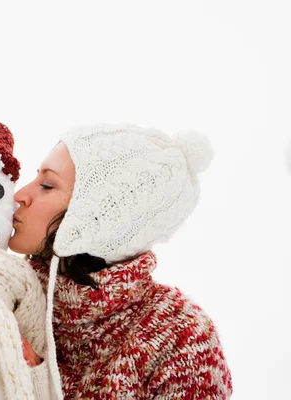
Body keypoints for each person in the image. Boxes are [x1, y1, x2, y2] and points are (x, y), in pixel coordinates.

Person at [12, 124, 233, 399]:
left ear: (98, 219)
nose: (19, 195)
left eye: (47, 185)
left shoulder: (179, 335)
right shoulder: (4, 296)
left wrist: (38, 383)